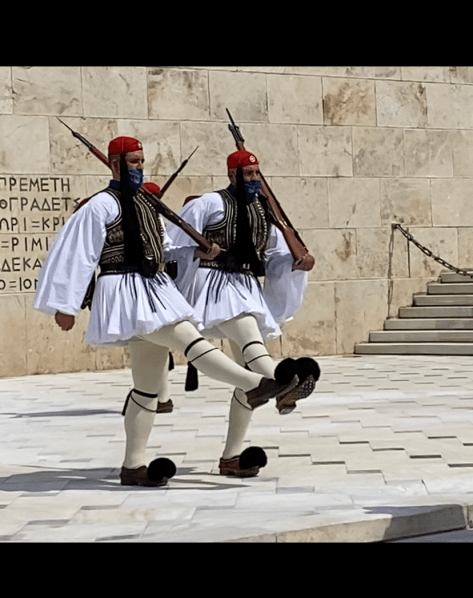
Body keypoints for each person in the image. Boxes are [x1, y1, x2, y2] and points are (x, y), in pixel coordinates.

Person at [34, 136, 317, 487]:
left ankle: (133, 466)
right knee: (191, 340)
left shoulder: (146, 203)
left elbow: (168, 249)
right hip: (125, 291)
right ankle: (258, 384)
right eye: (134, 162)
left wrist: (197, 253)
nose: (139, 167)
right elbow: (78, 253)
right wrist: (65, 304)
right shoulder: (101, 206)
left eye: (141, 161)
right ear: (115, 164)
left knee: (146, 389)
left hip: (154, 288)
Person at [170, 148, 319, 479]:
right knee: (251, 338)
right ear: (231, 174)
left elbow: (277, 256)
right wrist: (198, 252)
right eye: (247, 174)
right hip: (215, 284)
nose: (253, 179)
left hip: (245, 284)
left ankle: (231, 457)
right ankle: (284, 382)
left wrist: (297, 263)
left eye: (256, 174)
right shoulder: (210, 203)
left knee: (246, 376)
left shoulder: (262, 211)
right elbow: (171, 243)